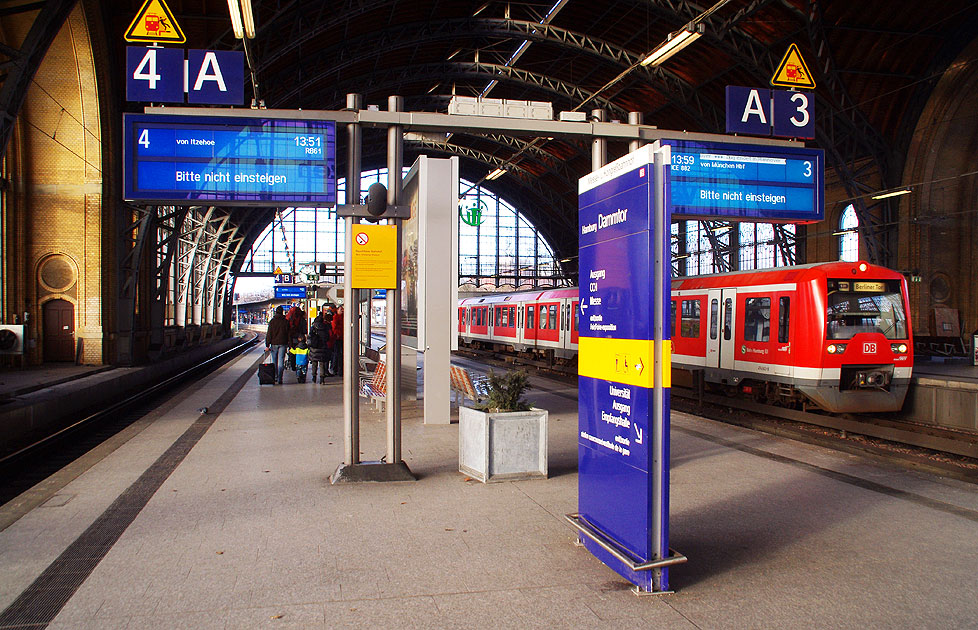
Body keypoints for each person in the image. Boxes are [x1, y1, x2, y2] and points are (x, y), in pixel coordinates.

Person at [265, 306, 289, 385]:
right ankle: (280, 378)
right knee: (281, 361)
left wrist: (267, 345)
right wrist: (290, 344)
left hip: (274, 344)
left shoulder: (272, 321)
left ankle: (275, 377)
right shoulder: (285, 321)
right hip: (283, 343)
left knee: (274, 361)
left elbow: (269, 333)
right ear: (282, 312)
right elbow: (288, 334)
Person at [308, 314, 330, 384]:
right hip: (322, 348)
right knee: (322, 364)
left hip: (314, 348)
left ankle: (314, 377)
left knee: (314, 363)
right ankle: (322, 379)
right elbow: (327, 338)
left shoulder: (313, 328)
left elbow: (310, 337)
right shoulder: (325, 327)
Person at [330, 305, 344, 377]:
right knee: (337, 354)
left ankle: (339, 369)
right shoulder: (335, 317)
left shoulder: (344, 317)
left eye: (343, 309)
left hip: (343, 338)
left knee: (340, 354)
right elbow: (334, 328)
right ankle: (336, 369)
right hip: (338, 338)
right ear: (337, 310)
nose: (342, 310)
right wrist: (337, 334)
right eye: (341, 309)